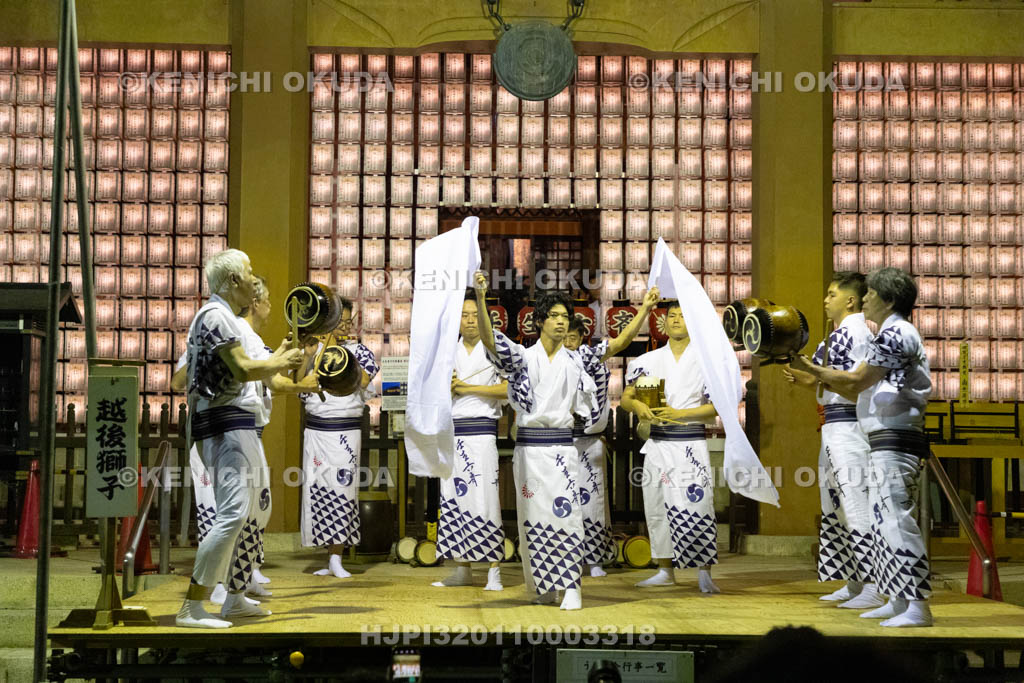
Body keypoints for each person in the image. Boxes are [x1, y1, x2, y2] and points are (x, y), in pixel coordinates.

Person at [475, 272, 658, 610]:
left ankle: (571, 585)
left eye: (565, 317)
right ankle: (544, 586)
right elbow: (490, 340)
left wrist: (645, 310)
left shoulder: (578, 358)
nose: (561, 322)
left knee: (566, 515)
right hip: (528, 449)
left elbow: (616, 345)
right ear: (540, 321)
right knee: (533, 519)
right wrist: (481, 295)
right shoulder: (522, 358)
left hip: (562, 448)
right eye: (554, 317)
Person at [791, 267, 933, 628]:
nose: (865, 300)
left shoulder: (897, 333)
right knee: (885, 520)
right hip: (881, 434)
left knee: (896, 522)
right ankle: (898, 599)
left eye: (870, 295)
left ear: (887, 300)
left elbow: (855, 383)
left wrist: (812, 369)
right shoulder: (890, 332)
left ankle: (916, 605)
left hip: (894, 435)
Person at [175, 249, 303, 628]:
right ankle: (192, 606)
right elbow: (243, 368)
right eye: (248, 274)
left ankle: (234, 597)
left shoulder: (222, 317)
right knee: (232, 514)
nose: (253, 281)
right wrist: (281, 362)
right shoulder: (216, 316)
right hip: (225, 424)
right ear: (232, 281)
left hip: (235, 424)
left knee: (247, 514)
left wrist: (278, 358)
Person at [782, 272, 881, 608]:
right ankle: (854, 581)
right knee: (835, 508)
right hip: (832, 427)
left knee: (855, 503)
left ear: (850, 300)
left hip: (851, 428)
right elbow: (831, 384)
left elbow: (856, 384)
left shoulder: (858, 333)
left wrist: (817, 375)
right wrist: (807, 379)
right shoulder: (836, 336)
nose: (826, 300)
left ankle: (875, 584)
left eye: (831, 294)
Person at [620, 301, 721, 594]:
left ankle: (704, 571)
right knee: (656, 506)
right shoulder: (649, 359)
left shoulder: (706, 360)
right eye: (671, 316)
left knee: (698, 503)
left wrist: (681, 414)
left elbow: (715, 409)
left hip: (689, 441)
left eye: (682, 315)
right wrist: (637, 404)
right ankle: (665, 569)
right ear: (663, 324)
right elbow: (627, 396)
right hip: (658, 442)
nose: (676, 320)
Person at [432, 291, 509, 591]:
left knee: (485, 498)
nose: (469, 321)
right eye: (464, 315)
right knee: (452, 497)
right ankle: (461, 568)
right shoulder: (448, 350)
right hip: (452, 431)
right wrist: (447, 389)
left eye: (475, 315)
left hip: (481, 431)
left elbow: (507, 390)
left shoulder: (495, 348)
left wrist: (466, 389)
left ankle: (494, 571)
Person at [298, 299, 379, 579]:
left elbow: (366, 382)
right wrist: (310, 356)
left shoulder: (359, 351)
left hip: (345, 432)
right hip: (316, 431)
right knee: (317, 491)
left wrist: (342, 352)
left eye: (347, 321)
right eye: (339, 321)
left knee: (343, 491)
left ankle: (337, 555)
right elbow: (298, 385)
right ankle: (326, 554)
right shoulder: (312, 350)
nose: (345, 326)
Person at [563, 317, 616, 578]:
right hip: (560, 441)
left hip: (589, 439)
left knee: (592, 501)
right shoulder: (553, 361)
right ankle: (566, 558)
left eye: (572, 338)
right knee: (563, 500)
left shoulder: (590, 360)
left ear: (582, 338)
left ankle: (594, 559)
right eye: (564, 337)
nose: (568, 343)